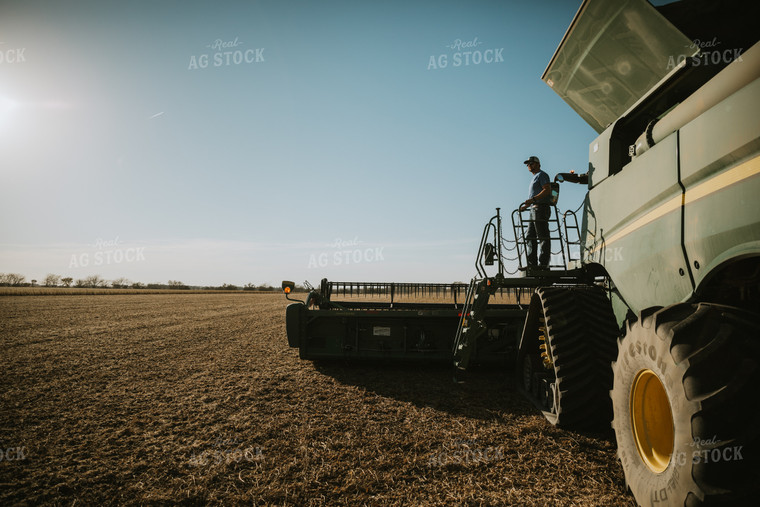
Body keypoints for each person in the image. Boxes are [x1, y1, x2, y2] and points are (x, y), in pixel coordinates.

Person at [519, 156, 551, 269]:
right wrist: (526, 206)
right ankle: (532, 264)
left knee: (542, 236)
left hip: (541, 208)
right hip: (533, 209)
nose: (529, 166)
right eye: (528, 164)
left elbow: (547, 190)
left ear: (538, 164)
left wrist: (533, 200)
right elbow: (534, 195)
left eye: (531, 163)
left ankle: (543, 264)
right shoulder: (534, 178)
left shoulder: (542, 175)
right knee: (530, 236)